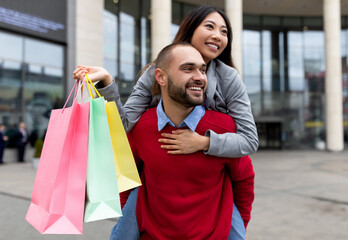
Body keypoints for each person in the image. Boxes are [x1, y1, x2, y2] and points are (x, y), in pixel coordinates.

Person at [73, 5, 258, 239]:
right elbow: (125, 127)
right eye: (209, 26)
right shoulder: (155, 73)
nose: (218, 35)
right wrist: (108, 83)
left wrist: (202, 142)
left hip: (214, 166)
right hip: (159, 170)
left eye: (224, 31)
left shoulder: (228, 78)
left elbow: (249, 141)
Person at [124, 42, 254, 239]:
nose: (200, 77)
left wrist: (237, 227)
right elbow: (125, 178)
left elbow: (244, 181)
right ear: (161, 77)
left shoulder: (225, 128)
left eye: (203, 70)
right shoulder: (141, 128)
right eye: (188, 68)